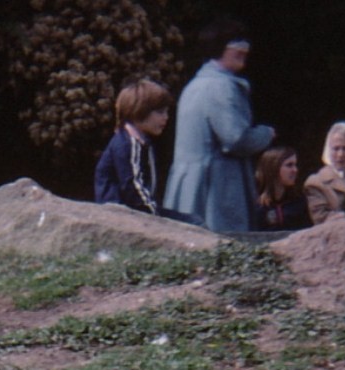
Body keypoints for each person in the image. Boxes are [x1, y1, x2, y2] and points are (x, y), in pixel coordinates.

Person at [162, 18, 274, 232]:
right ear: (219, 47)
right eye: (236, 42)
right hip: (217, 191)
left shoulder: (193, 86)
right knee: (223, 250)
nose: (244, 49)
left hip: (189, 187)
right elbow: (236, 139)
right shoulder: (221, 87)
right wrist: (265, 134)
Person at [94, 79, 172, 215]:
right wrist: (156, 217)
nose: (166, 117)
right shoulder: (126, 144)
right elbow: (133, 188)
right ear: (139, 111)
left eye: (166, 112)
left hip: (136, 210)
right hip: (119, 214)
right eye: (160, 112)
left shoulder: (142, 142)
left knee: (195, 221)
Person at [303, 122, 345, 225]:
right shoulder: (316, 182)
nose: (340, 154)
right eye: (336, 148)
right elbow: (321, 219)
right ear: (328, 149)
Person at [255, 145, 309, 230]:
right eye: (289, 165)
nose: (295, 170)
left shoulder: (299, 202)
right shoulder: (256, 204)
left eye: (295, 165)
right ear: (273, 168)